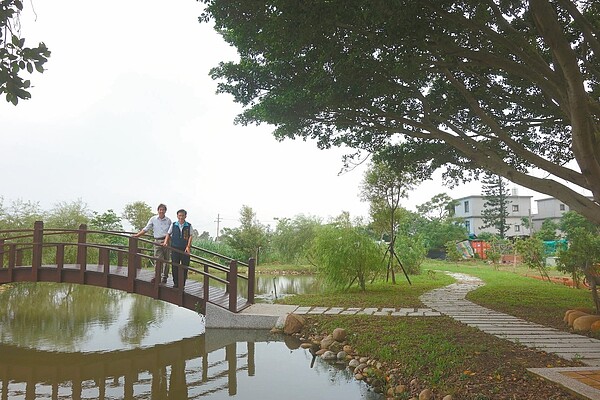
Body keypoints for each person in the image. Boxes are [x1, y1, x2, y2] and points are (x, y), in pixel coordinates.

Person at [133, 204, 172, 284]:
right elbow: (146, 229)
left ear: (165, 211)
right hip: (157, 241)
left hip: (166, 241)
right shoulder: (153, 219)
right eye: (160, 209)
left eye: (163, 210)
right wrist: (137, 235)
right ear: (158, 210)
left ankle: (164, 277)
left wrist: (167, 241)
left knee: (166, 260)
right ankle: (157, 276)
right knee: (157, 260)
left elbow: (170, 232)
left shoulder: (168, 220)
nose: (161, 211)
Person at [164, 209, 193, 288]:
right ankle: (176, 283)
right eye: (179, 215)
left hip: (184, 249)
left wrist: (188, 246)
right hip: (175, 249)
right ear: (177, 216)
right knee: (175, 266)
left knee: (185, 267)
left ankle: (182, 284)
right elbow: (168, 234)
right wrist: (166, 242)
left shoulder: (188, 225)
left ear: (185, 216)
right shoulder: (174, 225)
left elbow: (190, 236)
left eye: (182, 215)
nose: (181, 217)